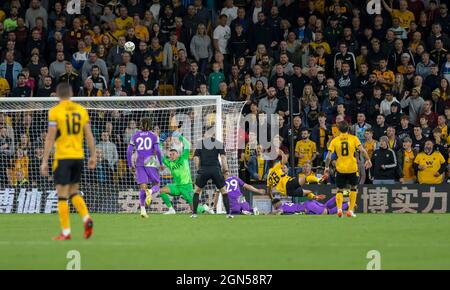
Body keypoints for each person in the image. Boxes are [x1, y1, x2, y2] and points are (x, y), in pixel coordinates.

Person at [40, 82, 96, 241]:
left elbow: (50, 137)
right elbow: (89, 135)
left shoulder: (55, 111)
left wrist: (44, 161)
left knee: (62, 195)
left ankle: (66, 232)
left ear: (57, 94)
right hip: (78, 157)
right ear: (71, 93)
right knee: (73, 192)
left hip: (63, 157)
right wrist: (93, 156)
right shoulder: (81, 110)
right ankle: (86, 218)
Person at [325, 121, 372, 218]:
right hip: (352, 168)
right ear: (348, 129)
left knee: (339, 190)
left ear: (338, 129)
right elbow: (362, 150)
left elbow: (329, 157)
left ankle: (339, 209)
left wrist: (326, 167)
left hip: (340, 168)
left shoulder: (335, 140)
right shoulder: (353, 138)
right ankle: (350, 210)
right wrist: (368, 160)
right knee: (354, 188)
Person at [158, 133, 213, 215]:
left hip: (187, 186)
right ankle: (171, 209)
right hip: (177, 186)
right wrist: (161, 142)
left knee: (194, 209)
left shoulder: (183, 158)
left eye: (173, 154)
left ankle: (204, 207)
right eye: (170, 155)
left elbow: (187, 144)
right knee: (161, 191)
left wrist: (179, 136)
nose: (171, 156)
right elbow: (160, 154)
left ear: (178, 154)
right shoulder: (169, 163)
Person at [126, 118, 163, 218]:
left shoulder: (135, 136)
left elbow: (129, 152)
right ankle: (150, 191)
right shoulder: (154, 136)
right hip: (150, 161)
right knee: (157, 184)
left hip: (140, 162)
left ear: (140, 124)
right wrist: (161, 163)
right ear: (151, 125)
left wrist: (130, 165)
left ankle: (143, 210)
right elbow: (158, 151)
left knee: (143, 186)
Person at [192, 129, 231, 218]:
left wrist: (198, 169)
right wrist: (226, 170)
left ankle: (194, 214)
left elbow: (196, 158)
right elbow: (223, 158)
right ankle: (228, 214)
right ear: (213, 134)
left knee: (197, 191)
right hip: (215, 170)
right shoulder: (218, 143)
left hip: (204, 169)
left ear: (205, 134)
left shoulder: (200, 144)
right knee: (224, 191)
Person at [271, 195, 348, 215]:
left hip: (307, 207)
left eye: (274, 206)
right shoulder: (285, 204)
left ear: (275, 204)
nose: (274, 208)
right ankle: (336, 197)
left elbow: (279, 211)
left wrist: (269, 213)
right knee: (325, 206)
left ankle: (348, 204)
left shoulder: (281, 207)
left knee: (329, 212)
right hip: (309, 204)